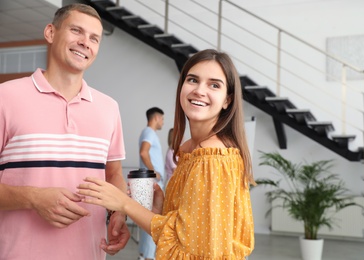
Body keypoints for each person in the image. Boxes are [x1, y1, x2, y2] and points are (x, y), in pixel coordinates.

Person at [78, 49, 255, 259]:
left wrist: (123, 203)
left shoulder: (211, 158)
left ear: (227, 100)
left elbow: (194, 251)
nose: (199, 90)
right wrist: (160, 211)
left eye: (214, 85)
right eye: (193, 80)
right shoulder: (190, 149)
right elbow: (183, 235)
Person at [0, 4, 130, 259]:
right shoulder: (5, 97)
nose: (85, 42)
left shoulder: (109, 108)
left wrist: (119, 213)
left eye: (94, 38)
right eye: (76, 31)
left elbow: (113, 174)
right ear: (50, 32)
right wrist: (33, 198)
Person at [138, 107, 166, 260]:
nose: (162, 122)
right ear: (156, 118)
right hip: (151, 182)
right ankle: (149, 257)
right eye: (162, 119)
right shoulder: (149, 132)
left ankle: (143, 255)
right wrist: (153, 171)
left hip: (148, 182)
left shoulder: (147, 132)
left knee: (147, 220)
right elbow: (144, 152)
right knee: (153, 221)